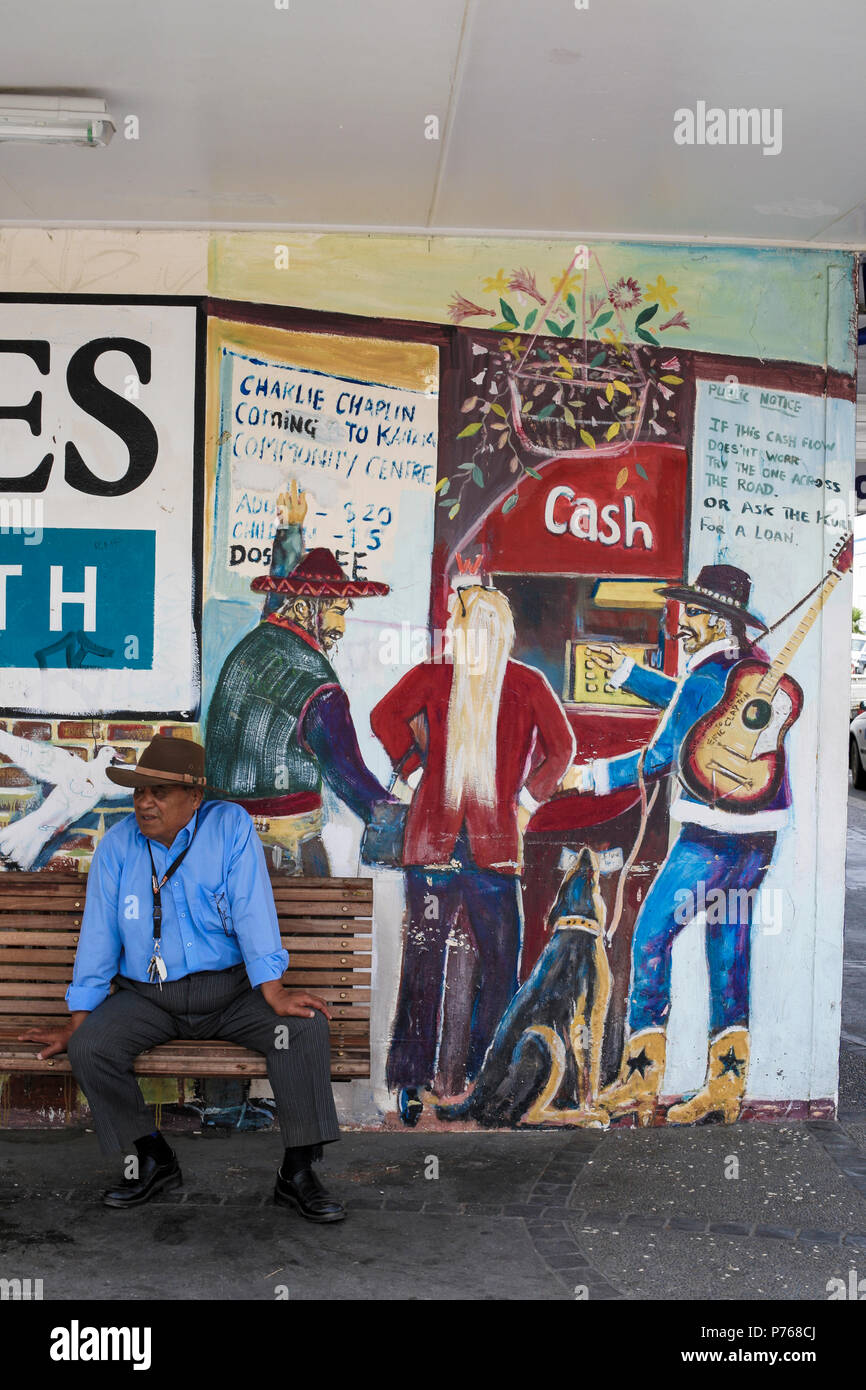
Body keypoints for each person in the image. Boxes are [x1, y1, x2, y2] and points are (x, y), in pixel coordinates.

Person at [19, 735, 346, 1220]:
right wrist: (78, 1020)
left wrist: (272, 990)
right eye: (139, 792)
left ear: (194, 798)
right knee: (90, 1047)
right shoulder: (117, 848)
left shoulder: (228, 827)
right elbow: (98, 938)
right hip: (149, 999)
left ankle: (297, 1173)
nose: (145, 802)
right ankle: (153, 1156)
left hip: (232, 993)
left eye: (159, 792)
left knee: (299, 1031)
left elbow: (252, 906)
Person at [568, 564, 787, 1126]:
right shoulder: (753, 674)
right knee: (729, 949)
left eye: (690, 613)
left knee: (649, 939)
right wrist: (635, 678)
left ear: (715, 619)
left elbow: (668, 749)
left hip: (709, 841)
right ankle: (726, 1087)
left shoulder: (707, 678)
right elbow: (701, 711)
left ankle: (642, 1081)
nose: (680, 623)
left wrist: (590, 776)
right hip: (758, 841)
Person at [370, 569, 575, 1125]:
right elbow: (382, 716)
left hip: (481, 851)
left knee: (481, 967)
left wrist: (528, 802)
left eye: (469, 625)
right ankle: (431, 1083)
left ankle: (472, 1079)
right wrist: (415, 775)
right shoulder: (447, 680)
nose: (464, 635)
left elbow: (562, 749)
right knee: (444, 966)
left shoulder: (519, 683)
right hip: (451, 850)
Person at [206, 481, 394, 873]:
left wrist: (290, 530)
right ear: (310, 608)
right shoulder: (320, 686)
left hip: (218, 847)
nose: (340, 626)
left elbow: (278, 600)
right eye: (338, 609)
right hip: (284, 854)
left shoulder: (257, 644)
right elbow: (349, 776)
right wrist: (401, 818)